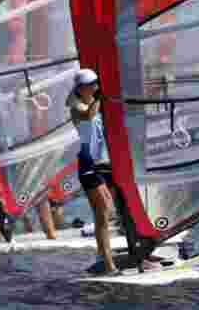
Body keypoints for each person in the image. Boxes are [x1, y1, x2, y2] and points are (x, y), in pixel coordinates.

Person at [68, 68, 118, 274]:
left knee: (114, 210)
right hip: (89, 164)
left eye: (97, 82)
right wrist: (101, 97)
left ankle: (104, 254)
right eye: (92, 84)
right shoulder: (75, 106)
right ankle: (108, 264)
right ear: (81, 88)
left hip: (106, 162)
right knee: (102, 211)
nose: (96, 86)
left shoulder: (96, 101)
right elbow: (88, 115)